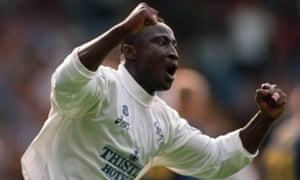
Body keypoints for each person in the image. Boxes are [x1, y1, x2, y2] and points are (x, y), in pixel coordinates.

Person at [21, 2, 286, 180]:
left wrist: (265, 118)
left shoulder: (165, 122)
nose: (173, 53)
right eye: (161, 43)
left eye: (175, 46)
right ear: (130, 52)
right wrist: (123, 29)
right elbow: (67, 79)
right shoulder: (103, 85)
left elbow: (219, 158)